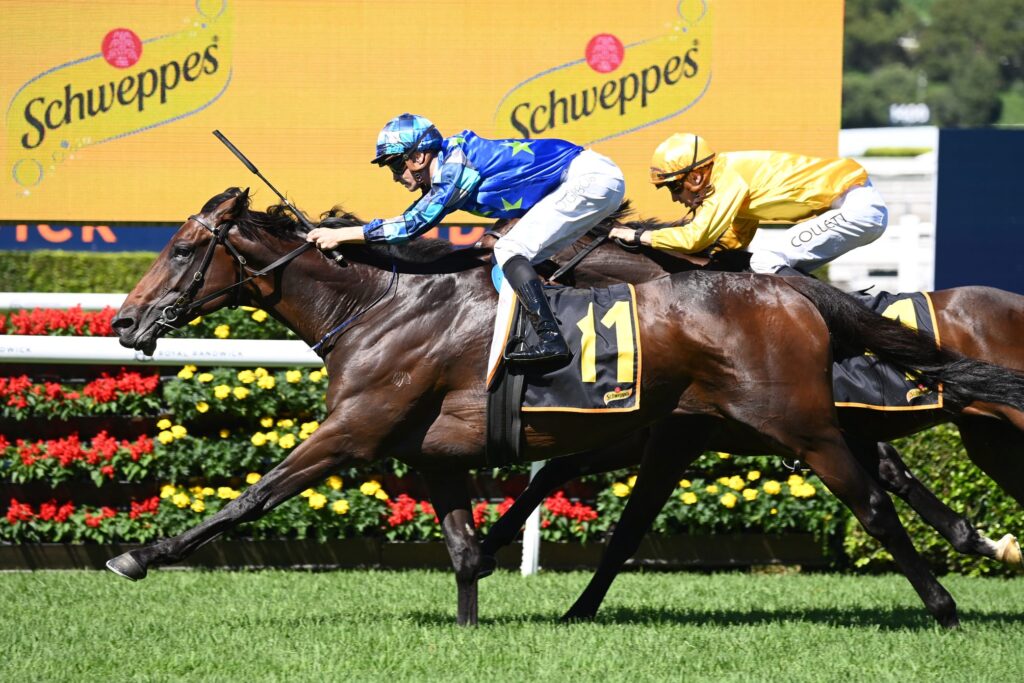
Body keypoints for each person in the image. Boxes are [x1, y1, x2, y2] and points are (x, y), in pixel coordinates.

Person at [307, 113, 625, 370]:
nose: (394, 175)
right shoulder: (452, 162)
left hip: (588, 179)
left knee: (509, 250)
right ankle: (563, 333)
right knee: (515, 259)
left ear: (418, 156)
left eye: (395, 164)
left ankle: (551, 339)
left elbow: (411, 224)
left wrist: (342, 234)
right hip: (590, 180)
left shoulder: (455, 167)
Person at [608, 133, 888, 275]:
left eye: (674, 187)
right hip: (852, 207)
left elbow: (694, 238)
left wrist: (638, 236)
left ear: (695, 176)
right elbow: (737, 236)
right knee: (772, 266)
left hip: (856, 208)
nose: (675, 198)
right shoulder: (731, 180)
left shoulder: (726, 177)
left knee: (767, 261)